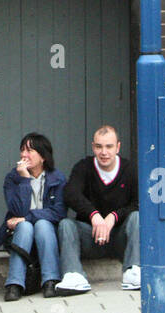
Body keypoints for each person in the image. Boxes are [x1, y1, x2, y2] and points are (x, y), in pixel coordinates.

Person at [55, 125, 141, 294]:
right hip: (90, 237)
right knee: (66, 224)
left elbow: (137, 202)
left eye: (109, 146)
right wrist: (94, 216)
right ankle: (73, 275)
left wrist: (113, 217)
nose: (104, 152)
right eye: (99, 146)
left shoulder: (130, 170)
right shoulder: (84, 167)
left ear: (118, 147)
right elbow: (70, 193)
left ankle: (133, 271)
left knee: (137, 217)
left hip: (119, 238)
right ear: (93, 147)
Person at [0, 134, 66, 301]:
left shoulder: (58, 178)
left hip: (47, 236)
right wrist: (25, 180)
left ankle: (50, 280)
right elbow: (18, 211)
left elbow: (58, 212)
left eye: (29, 150)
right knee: (25, 226)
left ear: (43, 156)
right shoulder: (13, 178)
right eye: (22, 150)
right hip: (20, 235)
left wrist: (28, 217)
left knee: (42, 224)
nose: (23, 155)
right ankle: (15, 284)